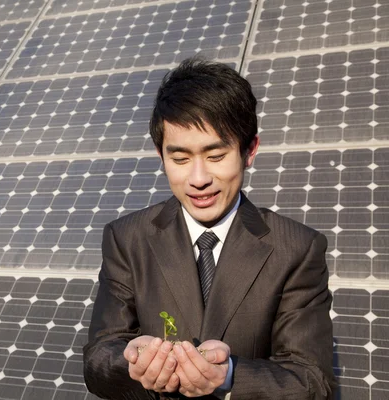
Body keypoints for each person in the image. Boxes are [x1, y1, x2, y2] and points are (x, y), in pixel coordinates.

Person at [83, 58, 336, 399]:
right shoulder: (127, 238)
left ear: (250, 150)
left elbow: (312, 381)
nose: (199, 179)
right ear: (161, 155)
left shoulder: (297, 249)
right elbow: (99, 357)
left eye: (216, 156)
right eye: (180, 158)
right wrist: (131, 362)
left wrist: (229, 375)